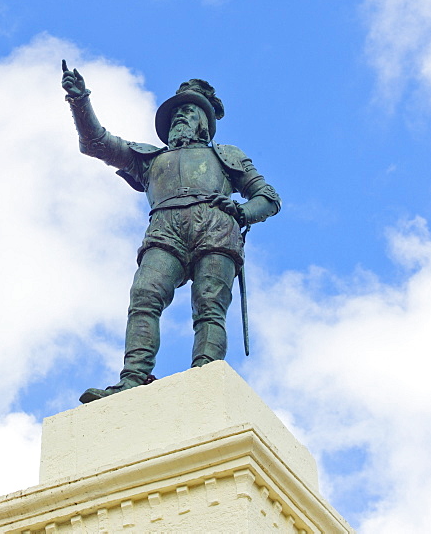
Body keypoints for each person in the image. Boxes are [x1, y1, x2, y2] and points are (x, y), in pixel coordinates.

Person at [61, 60, 281, 403]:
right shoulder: (149, 159)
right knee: (145, 295)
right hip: (165, 228)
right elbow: (96, 143)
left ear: (204, 123)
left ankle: (205, 375)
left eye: (190, 111)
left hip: (216, 226)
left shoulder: (226, 155)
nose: (181, 115)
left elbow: (267, 197)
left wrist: (241, 210)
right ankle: (133, 378)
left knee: (209, 304)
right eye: (176, 111)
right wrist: (80, 102)